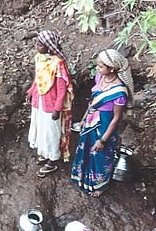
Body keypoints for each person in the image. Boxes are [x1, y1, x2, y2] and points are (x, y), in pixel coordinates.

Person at [71, 49, 134, 197]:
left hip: (105, 126)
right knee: (85, 148)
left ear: (112, 68)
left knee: (100, 155)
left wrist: (103, 139)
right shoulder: (100, 77)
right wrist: (84, 118)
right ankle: (83, 177)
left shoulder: (119, 92)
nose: (97, 68)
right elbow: (93, 101)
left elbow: (116, 118)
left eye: (100, 66)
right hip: (91, 121)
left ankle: (100, 185)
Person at [27, 30, 74, 177]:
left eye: (40, 44)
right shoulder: (39, 58)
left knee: (51, 132)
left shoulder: (57, 64)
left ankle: (53, 159)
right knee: (41, 128)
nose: (37, 46)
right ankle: (44, 152)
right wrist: (30, 92)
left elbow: (62, 89)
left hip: (51, 104)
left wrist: (57, 108)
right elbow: (38, 79)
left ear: (49, 46)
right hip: (39, 100)